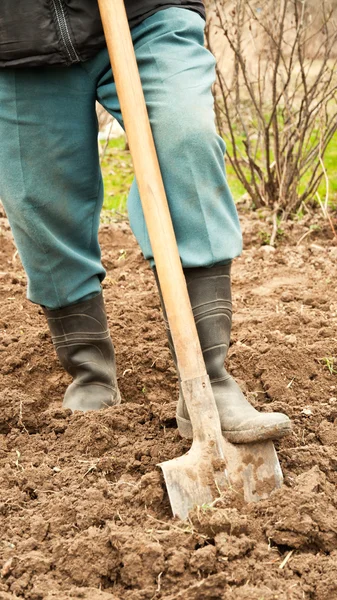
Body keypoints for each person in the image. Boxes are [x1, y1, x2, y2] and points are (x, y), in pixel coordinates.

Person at [0, 0, 291, 443]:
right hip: (17, 37)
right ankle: (90, 373)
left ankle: (208, 380)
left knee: (184, 141)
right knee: (37, 198)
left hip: (145, 14)